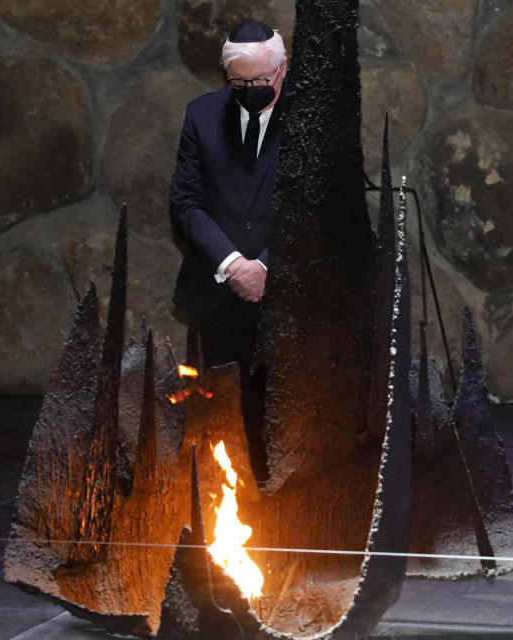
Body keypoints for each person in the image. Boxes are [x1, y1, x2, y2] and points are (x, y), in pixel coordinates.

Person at [169, 19, 288, 483]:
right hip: (217, 294)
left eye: (261, 81)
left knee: (281, 410)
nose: (252, 88)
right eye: (240, 82)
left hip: (290, 295)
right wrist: (233, 263)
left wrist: (266, 265)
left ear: (282, 70)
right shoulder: (201, 114)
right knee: (220, 413)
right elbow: (186, 202)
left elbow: (319, 206)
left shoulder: (312, 118)